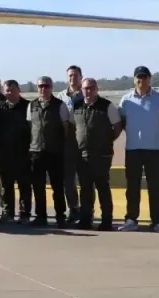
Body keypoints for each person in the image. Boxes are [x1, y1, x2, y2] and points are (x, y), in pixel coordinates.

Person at [117, 66, 159, 232]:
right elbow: (122, 122)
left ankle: (158, 221)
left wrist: (156, 133)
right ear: (134, 79)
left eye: (144, 77)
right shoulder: (126, 100)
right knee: (132, 187)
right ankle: (131, 219)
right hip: (133, 149)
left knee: (156, 187)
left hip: (154, 150)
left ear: (149, 79)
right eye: (138, 77)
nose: (141, 80)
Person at [72, 78, 122, 230]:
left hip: (102, 155)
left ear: (96, 89)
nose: (88, 91)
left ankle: (107, 220)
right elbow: (72, 126)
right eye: (85, 88)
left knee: (103, 188)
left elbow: (117, 126)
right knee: (85, 189)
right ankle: (86, 220)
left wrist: (107, 140)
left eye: (91, 88)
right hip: (82, 155)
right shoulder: (76, 106)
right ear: (81, 90)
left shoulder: (107, 106)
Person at [27, 75, 70, 226]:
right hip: (36, 152)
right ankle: (41, 216)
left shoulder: (60, 105)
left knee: (57, 186)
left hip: (55, 152)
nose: (43, 89)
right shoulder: (32, 105)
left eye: (46, 86)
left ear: (51, 88)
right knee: (38, 187)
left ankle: (60, 216)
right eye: (40, 86)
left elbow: (66, 128)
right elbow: (30, 127)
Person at [0, 79, 32, 224]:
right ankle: (8, 213)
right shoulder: (0, 108)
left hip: (23, 153)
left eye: (12, 90)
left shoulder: (28, 106)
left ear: (18, 90)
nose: (9, 93)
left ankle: (25, 214)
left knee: (24, 185)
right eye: (7, 90)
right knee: (6, 185)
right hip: (5, 153)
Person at [61, 65, 84, 225]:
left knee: (86, 180)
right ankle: (73, 209)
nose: (72, 78)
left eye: (75, 75)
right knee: (68, 180)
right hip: (68, 142)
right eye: (70, 75)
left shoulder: (87, 93)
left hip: (84, 142)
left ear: (80, 77)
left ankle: (87, 209)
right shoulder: (61, 96)